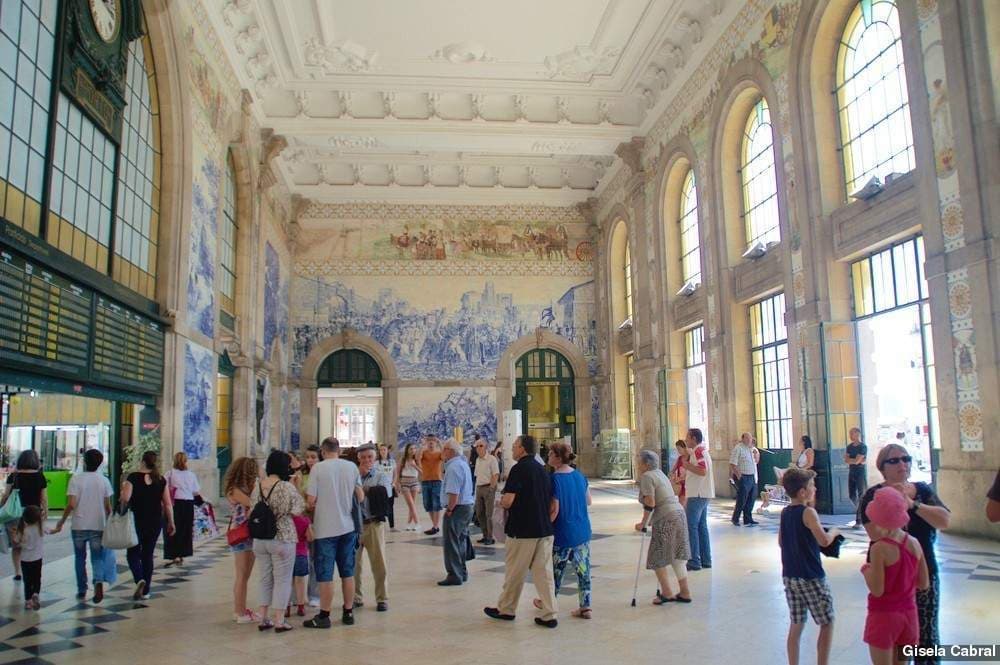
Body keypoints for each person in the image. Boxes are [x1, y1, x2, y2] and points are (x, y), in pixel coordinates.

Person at [859, 444, 950, 665]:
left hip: (923, 568)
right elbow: (876, 533)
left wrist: (912, 504)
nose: (902, 464)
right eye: (895, 460)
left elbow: (944, 520)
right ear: (882, 467)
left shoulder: (922, 490)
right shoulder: (874, 495)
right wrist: (894, 504)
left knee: (926, 638)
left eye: (906, 459)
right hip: (892, 579)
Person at [484, 435, 558, 628]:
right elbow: (552, 503)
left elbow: (508, 501)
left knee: (515, 572)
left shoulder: (518, 469)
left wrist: (501, 503)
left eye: (515, 446)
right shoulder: (543, 470)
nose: (512, 450)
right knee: (544, 575)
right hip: (544, 530)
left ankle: (506, 609)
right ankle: (549, 614)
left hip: (523, 530)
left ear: (523, 449)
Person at [861, 487, 930, 665]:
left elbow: (877, 590)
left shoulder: (879, 548)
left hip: (883, 616)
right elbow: (923, 583)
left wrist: (866, 571)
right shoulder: (914, 543)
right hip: (909, 615)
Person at [779, 467, 839, 665]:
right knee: (827, 622)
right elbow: (823, 541)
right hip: (810, 575)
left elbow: (781, 541)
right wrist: (834, 533)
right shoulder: (809, 512)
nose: (815, 489)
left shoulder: (785, 512)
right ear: (803, 492)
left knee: (797, 623)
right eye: (812, 486)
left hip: (790, 574)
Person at [304, 436, 364, 628]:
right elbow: (360, 496)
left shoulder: (318, 469)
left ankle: (324, 615)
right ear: (338, 450)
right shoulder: (351, 467)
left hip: (325, 529)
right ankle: (348, 612)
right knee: (348, 572)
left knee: (325, 575)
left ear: (322, 451)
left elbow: (311, 500)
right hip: (347, 527)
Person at [251, 450, 305, 633]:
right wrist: (295, 486)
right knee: (282, 580)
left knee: (265, 579)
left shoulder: (258, 485)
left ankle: (263, 617)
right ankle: (280, 621)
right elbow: (298, 509)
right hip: (282, 537)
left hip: (260, 539)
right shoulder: (285, 486)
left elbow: (252, 508)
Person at [50, 449, 113, 602]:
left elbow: (71, 504)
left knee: (80, 558)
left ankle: (81, 588)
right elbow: (108, 507)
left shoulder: (76, 480)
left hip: (79, 524)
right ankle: (98, 580)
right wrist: (111, 522)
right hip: (98, 524)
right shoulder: (104, 480)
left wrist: (61, 521)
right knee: (97, 557)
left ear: (84, 462)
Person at [540, 441, 592, 618]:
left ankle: (549, 601)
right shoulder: (580, 476)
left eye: (550, 454)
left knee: (555, 571)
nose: (547, 456)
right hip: (582, 530)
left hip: (562, 531)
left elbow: (554, 509)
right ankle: (585, 606)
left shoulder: (555, 479)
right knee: (583, 570)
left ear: (557, 457)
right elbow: (588, 501)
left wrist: (545, 526)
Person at [635, 449, 692, 605]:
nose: (637, 464)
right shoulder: (660, 473)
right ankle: (685, 592)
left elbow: (650, 503)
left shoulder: (647, 476)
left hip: (666, 517)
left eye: (639, 461)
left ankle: (666, 592)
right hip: (679, 513)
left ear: (646, 464)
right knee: (677, 556)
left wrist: (643, 523)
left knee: (656, 556)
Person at [120, 450, 175, 601]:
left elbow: (125, 498)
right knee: (148, 554)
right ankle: (146, 591)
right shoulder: (160, 479)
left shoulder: (133, 477)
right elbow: (168, 504)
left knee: (132, 553)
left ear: (142, 461)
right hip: (155, 521)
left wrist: (123, 492)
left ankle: (139, 579)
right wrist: (171, 522)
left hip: (136, 520)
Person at [353, 444, 392, 611]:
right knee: (354, 565)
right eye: (363, 458)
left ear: (374, 458)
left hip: (373, 523)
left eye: (370, 457)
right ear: (358, 459)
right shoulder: (352, 475)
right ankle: (356, 596)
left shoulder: (380, 476)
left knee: (379, 563)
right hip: (355, 525)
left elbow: (386, 493)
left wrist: (364, 489)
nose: (367, 460)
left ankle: (382, 598)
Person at [1, 449, 48, 582]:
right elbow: (43, 498)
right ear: (35, 461)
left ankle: (18, 572)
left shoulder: (13, 476)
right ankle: (31, 568)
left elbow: (6, 495)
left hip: (14, 514)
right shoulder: (40, 476)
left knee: (17, 544)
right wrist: (45, 512)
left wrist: (1, 507)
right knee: (32, 542)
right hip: (33, 514)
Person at [224, 457, 260, 623]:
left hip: (247, 534)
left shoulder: (241, 487)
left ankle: (241, 608)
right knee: (242, 575)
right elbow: (253, 503)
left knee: (244, 575)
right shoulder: (236, 490)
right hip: (241, 534)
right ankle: (239, 612)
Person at [438, 439, 475, 586]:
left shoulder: (453, 467)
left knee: (451, 542)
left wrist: (449, 509)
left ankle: (454, 574)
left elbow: (454, 493)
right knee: (460, 541)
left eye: (444, 448)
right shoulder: (462, 464)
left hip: (458, 508)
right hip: (466, 506)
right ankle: (462, 572)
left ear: (451, 451)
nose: (442, 451)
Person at [681, 428, 714, 571]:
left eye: (687, 438)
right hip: (704, 493)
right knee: (701, 527)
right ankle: (706, 559)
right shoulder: (703, 451)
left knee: (692, 527)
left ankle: (694, 560)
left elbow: (702, 470)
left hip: (697, 494)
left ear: (694, 438)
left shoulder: (698, 451)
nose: (686, 440)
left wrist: (688, 466)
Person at [164, 452, 201, 567]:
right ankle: (182, 554)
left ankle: (173, 554)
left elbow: (163, 487)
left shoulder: (169, 474)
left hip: (174, 503)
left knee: (173, 528)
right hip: (188, 503)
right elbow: (196, 491)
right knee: (185, 529)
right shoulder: (191, 475)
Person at [13, 505, 44, 610]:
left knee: (27, 581)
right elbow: (52, 531)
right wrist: (58, 528)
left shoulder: (22, 530)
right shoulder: (40, 528)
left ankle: (28, 601)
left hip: (25, 560)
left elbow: (16, 542)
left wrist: (14, 533)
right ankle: (36, 593)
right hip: (37, 559)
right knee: (37, 578)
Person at [473, 436, 500, 545]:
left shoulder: (492, 459)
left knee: (489, 514)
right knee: (479, 513)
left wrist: (492, 488)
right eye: (477, 446)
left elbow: (495, 474)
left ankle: (490, 537)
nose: (478, 448)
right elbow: (476, 475)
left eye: (481, 446)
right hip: (479, 488)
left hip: (488, 487)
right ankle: (484, 535)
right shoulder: (477, 460)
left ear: (486, 447)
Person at [729, 432, 759, 526]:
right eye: (747, 438)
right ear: (743, 438)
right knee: (742, 499)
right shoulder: (738, 448)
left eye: (750, 438)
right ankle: (735, 518)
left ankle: (748, 518)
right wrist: (739, 476)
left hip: (752, 476)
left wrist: (756, 454)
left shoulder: (751, 449)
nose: (750, 440)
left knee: (751, 498)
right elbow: (733, 463)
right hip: (744, 476)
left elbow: (756, 461)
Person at [417, 436, 444, 535]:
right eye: (429, 442)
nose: (431, 444)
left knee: (436, 504)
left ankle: (435, 526)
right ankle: (435, 525)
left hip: (437, 481)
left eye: (433, 442)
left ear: (435, 443)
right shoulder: (424, 453)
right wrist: (422, 445)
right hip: (425, 481)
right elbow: (417, 458)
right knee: (427, 504)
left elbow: (445, 456)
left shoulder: (438, 453)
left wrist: (440, 443)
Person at [289, 512, 312, 617]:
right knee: (300, 581)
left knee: (286, 582)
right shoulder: (304, 519)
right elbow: (310, 537)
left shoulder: (283, 519)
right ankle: (301, 607)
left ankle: (286, 608)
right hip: (301, 553)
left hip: (286, 554)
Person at [395, 443, 421, 531]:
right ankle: (417, 523)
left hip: (414, 482)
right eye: (411, 449)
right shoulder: (403, 459)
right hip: (404, 482)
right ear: (407, 450)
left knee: (412, 504)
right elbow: (398, 473)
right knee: (410, 504)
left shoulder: (417, 459)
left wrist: (414, 465)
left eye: (414, 448)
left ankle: (409, 523)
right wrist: (397, 484)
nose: (413, 450)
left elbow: (422, 472)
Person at [845, 428, 868, 525]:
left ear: (857, 434)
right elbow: (846, 460)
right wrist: (853, 460)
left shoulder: (863, 447)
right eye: (850, 433)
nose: (850, 435)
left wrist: (853, 460)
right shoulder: (849, 447)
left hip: (860, 472)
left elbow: (858, 460)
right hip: (852, 471)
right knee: (852, 495)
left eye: (852, 433)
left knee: (861, 494)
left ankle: (859, 518)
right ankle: (862, 509)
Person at [376, 444, 397, 530]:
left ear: (387, 451)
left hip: (389, 487)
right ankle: (380, 525)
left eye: (384, 450)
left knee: (390, 507)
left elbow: (395, 474)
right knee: (380, 507)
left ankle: (392, 526)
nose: (383, 451)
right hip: (380, 488)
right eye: (381, 450)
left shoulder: (392, 462)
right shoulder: (376, 463)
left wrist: (394, 483)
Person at [669, 439, 687, 508]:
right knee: (681, 503)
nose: (678, 451)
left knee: (683, 504)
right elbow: (673, 470)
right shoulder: (679, 458)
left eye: (679, 449)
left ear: (684, 448)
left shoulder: (690, 458)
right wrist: (671, 475)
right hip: (680, 485)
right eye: (677, 449)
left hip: (688, 485)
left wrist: (680, 478)